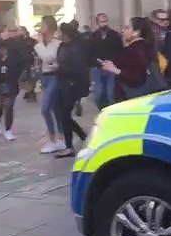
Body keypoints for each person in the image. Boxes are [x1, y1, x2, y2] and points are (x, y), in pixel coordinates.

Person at [52, 21, 90, 158]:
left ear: (65, 33)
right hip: (62, 83)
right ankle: (82, 136)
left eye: (60, 32)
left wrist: (59, 68)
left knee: (64, 114)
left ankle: (69, 146)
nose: (58, 34)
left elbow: (78, 70)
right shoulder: (62, 46)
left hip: (71, 85)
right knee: (64, 115)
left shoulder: (75, 49)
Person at [100, 17, 160, 103]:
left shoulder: (133, 50)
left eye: (127, 28)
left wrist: (114, 69)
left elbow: (136, 77)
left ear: (136, 32)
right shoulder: (147, 46)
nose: (122, 31)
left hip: (130, 99)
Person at [0, 24, 29, 141]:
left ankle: (8, 129)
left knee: (9, 105)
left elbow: (21, 60)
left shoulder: (14, 46)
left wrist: (17, 72)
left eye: (8, 31)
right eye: (4, 31)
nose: (7, 33)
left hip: (11, 79)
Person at [34, 16, 63, 153]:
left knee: (45, 109)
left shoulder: (56, 43)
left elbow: (47, 57)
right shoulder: (40, 44)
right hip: (44, 77)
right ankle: (60, 139)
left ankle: (54, 139)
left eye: (43, 24)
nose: (41, 27)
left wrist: (39, 45)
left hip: (54, 77)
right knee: (55, 108)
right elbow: (44, 60)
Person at [87, 12, 122, 110]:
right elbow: (89, 53)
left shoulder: (115, 35)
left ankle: (111, 113)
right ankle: (102, 111)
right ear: (97, 23)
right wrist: (97, 62)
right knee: (98, 93)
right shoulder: (93, 37)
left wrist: (113, 62)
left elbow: (120, 51)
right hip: (97, 68)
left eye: (105, 21)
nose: (104, 24)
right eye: (102, 22)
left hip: (112, 68)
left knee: (110, 94)